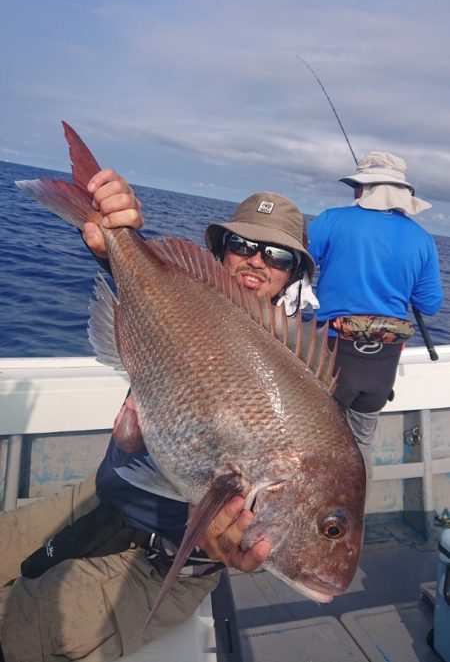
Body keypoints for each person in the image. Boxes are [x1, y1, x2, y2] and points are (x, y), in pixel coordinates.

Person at [0, 171, 316, 662]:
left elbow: (243, 512)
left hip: (156, 564)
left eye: (276, 255)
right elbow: (147, 285)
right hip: (101, 494)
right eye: (241, 244)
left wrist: (217, 534)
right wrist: (113, 240)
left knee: (14, 631)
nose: (256, 260)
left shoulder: (296, 380)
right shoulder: (184, 302)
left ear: (293, 274)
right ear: (220, 253)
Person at [307, 150, 444, 476]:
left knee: (316, 443)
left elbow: (296, 266)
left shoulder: (330, 220)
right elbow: (430, 305)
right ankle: (354, 518)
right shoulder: (423, 241)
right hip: (381, 368)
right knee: (360, 448)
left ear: (361, 188)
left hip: (331, 358)